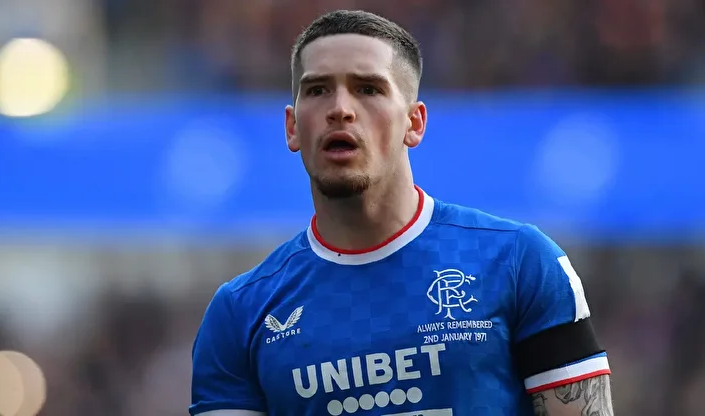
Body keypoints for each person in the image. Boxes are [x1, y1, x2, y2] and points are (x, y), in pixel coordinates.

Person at [190, 10, 613, 416]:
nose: (340, 109)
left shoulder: (520, 263)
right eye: (317, 90)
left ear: (414, 122)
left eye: (368, 89)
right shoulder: (241, 313)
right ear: (292, 127)